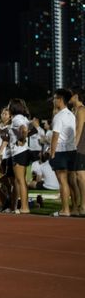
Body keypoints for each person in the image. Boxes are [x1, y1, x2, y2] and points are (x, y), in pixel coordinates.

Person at [50, 88, 77, 217]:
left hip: (60, 151)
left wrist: (52, 152)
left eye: (55, 98)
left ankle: (65, 209)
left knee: (63, 182)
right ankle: (75, 208)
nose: (54, 101)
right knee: (72, 182)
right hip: (72, 150)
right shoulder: (71, 115)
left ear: (60, 100)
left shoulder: (59, 116)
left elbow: (55, 136)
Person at [6, 98, 31, 214]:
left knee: (20, 180)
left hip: (19, 152)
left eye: (9, 105)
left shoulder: (17, 119)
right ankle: (24, 206)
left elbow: (25, 129)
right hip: (23, 151)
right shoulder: (23, 118)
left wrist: (22, 139)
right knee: (21, 180)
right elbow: (33, 129)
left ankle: (24, 207)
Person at [69, 87, 85, 216]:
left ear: (76, 96)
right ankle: (77, 205)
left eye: (70, 95)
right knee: (73, 177)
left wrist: (74, 146)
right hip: (77, 146)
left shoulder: (81, 109)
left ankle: (83, 205)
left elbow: (79, 130)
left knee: (80, 176)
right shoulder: (74, 110)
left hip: (80, 147)